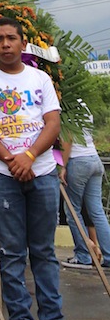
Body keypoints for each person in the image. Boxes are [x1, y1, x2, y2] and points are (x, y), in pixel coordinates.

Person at [0, 15, 81, 320]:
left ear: (23, 43)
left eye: (11, 38)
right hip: (4, 177)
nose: (5, 44)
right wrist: (12, 160)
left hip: (43, 171)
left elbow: (52, 122)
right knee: (12, 252)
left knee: (44, 250)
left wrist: (30, 156)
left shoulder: (41, 78)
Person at [60, 112, 110, 269]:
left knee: (72, 210)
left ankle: (83, 254)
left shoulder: (67, 108)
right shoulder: (85, 106)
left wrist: (62, 165)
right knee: (97, 211)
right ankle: (108, 255)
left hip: (78, 160)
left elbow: (67, 138)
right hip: (93, 158)